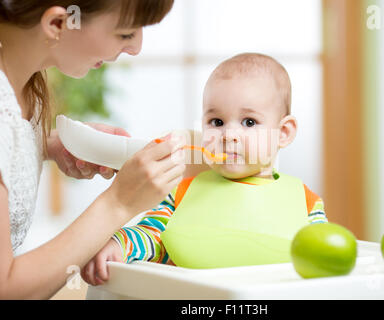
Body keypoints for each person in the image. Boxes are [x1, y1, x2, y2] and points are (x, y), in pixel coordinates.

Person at [0, 0, 212, 299]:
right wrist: (119, 203)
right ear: (58, 24)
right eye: (125, 34)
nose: (136, 47)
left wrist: (46, 145)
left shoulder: (23, 80)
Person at [82, 53, 328, 285]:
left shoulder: (305, 202)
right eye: (217, 122)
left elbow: (325, 256)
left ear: (283, 133)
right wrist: (119, 244)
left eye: (249, 122)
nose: (228, 135)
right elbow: (151, 237)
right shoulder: (180, 194)